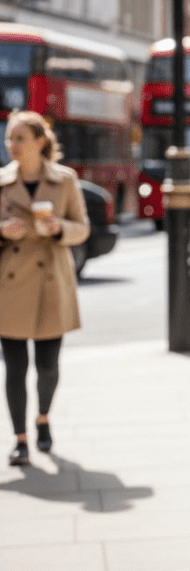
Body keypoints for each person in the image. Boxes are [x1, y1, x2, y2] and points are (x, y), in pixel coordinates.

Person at [0, 111, 89, 466]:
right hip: (10, 285)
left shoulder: (65, 180)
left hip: (52, 281)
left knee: (48, 365)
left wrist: (58, 228)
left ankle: (43, 419)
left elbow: (82, 228)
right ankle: (20, 438)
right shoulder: (2, 181)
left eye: (20, 138)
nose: (13, 145)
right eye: (10, 138)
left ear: (40, 141)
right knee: (15, 367)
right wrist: (2, 231)